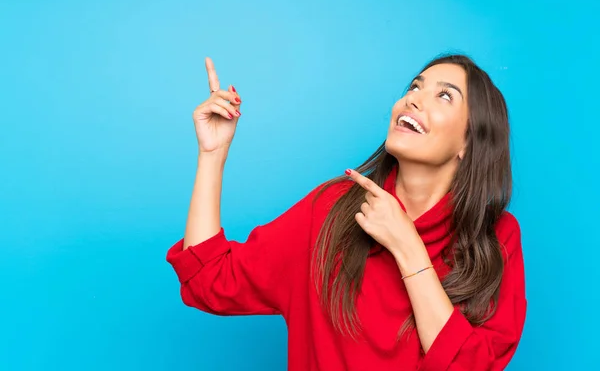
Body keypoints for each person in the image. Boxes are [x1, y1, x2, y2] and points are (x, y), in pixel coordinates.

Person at [166, 55, 527, 370]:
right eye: (415, 86)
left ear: (468, 142)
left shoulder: (494, 236)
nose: (413, 99)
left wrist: (408, 248)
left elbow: (469, 365)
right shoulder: (331, 210)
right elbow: (209, 278)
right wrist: (212, 155)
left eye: (443, 95)